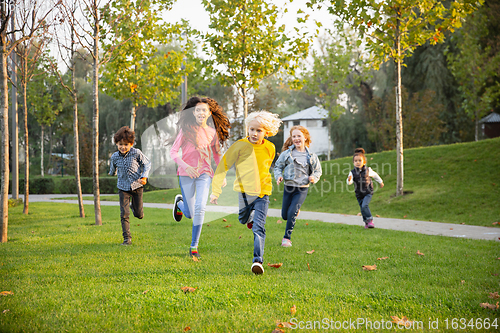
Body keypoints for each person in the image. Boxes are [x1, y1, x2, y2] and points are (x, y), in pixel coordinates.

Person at [210, 110, 282, 275]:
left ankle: (258, 261)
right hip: (244, 192)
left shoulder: (270, 148)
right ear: (247, 129)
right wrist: (215, 191)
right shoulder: (240, 146)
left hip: (263, 193)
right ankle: (248, 217)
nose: (255, 133)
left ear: (266, 132)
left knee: (259, 227)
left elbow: (265, 167)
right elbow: (223, 166)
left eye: (259, 130)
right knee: (243, 219)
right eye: (252, 129)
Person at [170, 96, 230, 259]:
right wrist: (186, 167)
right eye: (198, 110)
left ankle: (194, 246)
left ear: (210, 113)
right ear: (193, 112)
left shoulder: (212, 133)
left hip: (204, 173)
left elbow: (217, 156)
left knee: (200, 208)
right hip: (186, 174)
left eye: (204, 110)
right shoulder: (185, 130)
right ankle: (180, 203)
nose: (201, 112)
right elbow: (173, 153)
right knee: (189, 214)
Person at [274, 125, 322, 247]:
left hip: (302, 188)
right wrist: (278, 176)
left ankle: (286, 238)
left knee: (291, 212)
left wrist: (313, 178)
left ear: (305, 137)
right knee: (284, 215)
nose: (296, 138)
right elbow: (278, 166)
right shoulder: (286, 154)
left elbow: (318, 171)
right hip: (288, 187)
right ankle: (295, 210)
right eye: (293, 136)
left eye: (298, 136)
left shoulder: (311, 156)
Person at [109, 126, 152, 245]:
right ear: (116, 144)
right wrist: (112, 173)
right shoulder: (114, 157)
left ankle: (135, 208)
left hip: (137, 186)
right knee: (124, 214)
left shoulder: (136, 153)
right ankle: (127, 238)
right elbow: (112, 168)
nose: (123, 147)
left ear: (131, 144)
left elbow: (147, 164)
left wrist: (144, 176)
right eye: (120, 144)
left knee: (139, 214)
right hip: (123, 188)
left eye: (126, 144)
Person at [346, 148, 384, 228]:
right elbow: (349, 182)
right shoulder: (352, 172)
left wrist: (380, 182)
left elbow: (375, 175)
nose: (358, 162)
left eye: (360, 160)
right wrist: (349, 180)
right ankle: (366, 223)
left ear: (364, 162)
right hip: (359, 193)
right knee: (362, 209)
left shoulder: (368, 170)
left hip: (368, 192)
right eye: (356, 161)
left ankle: (370, 220)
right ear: (353, 162)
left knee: (364, 206)